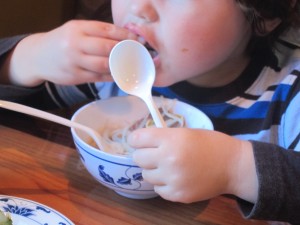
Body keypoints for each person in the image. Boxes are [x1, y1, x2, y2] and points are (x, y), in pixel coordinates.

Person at [0, 0, 300, 223]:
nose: (140, 7)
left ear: (265, 12)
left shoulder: (289, 91)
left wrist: (235, 168)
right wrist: (27, 58)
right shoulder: (112, 71)